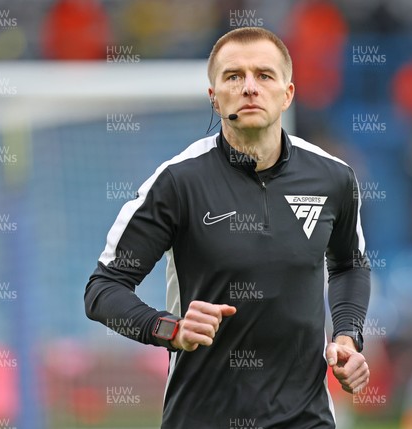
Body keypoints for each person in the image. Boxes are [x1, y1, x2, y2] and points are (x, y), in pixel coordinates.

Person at [85, 27, 371, 429]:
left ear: (287, 93)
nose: (250, 88)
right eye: (234, 76)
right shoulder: (177, 183)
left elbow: (349, 265)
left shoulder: (333, 178)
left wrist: (347, 337)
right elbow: (102, 290)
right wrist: (170, 329)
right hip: (201, 417)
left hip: (307, 419)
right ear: (214, 97)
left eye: (264, 75)